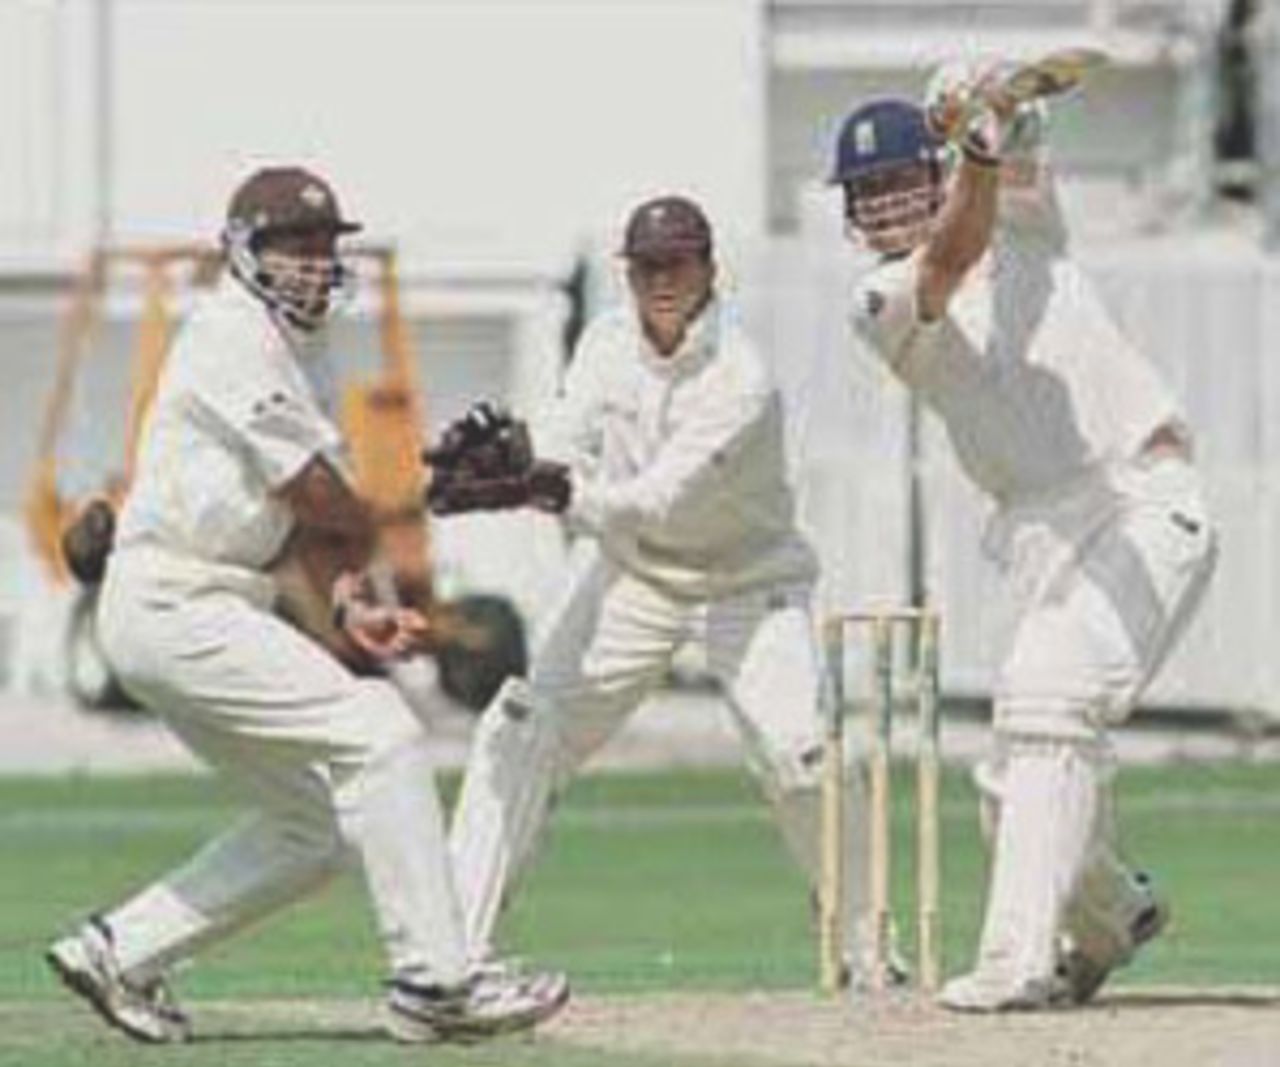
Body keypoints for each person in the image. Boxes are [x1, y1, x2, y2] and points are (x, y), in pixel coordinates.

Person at [43, 166, 567, 1044]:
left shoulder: (304, 351)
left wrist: (354, 605)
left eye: (326, 249)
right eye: (293, 249)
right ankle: (436, 980)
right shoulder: (227, 334)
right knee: (382, 730)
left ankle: (118, 950)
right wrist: (426, 495)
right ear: (243, 256)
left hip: (209, 598)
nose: (315, 265)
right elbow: (323, 497)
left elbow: (290, 526)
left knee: (315, 828)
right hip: (173, 600)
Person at [424, 194, 887, 989]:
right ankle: (453, 953)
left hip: (749, 576)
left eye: (678, 264)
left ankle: (864, 943)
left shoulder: (741, 376)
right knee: (522, 727)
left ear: (710, 269)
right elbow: (567, 432)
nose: (663, 281)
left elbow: (658, 496)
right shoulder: (607, 342)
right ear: (629, 274)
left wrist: (547, 489)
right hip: (633, 573)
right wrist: (522, 457)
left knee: (804, 757)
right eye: (647, 267)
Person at [828, 68, 1218, 1011]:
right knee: (1013, 777)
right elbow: (952, 257)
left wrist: (1000, 104)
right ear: (849, 213)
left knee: (1049, 700)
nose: (886, 206)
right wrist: (977, 145)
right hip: (1039, 530)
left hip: (1142, 499)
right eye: (867, 194)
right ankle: (1111, 920)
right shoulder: (881, 300)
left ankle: (1014, 963)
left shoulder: (1021, 219)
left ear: (931, 174)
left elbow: (1024, 155)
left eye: (899, 185)